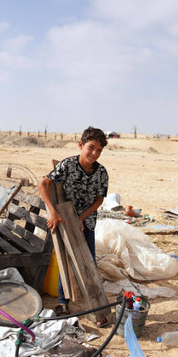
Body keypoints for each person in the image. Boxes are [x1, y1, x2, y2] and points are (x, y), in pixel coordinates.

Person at [38, 126, 109, 325]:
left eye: (99, 150)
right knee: (65, 260)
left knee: (88, 262)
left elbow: (99, 200)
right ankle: (64, 302)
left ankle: (94, 307)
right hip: (64, 218)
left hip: (86, 220)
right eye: (91, 148)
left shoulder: (101, 172)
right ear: (81, 145)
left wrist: (82, 217)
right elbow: (43, 184)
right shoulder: (68, 165)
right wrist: (53, 212)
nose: (94, 153)